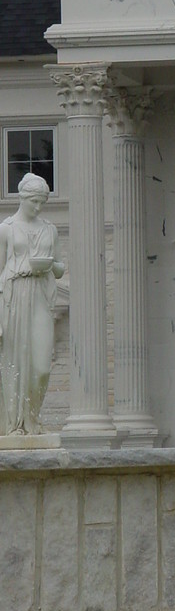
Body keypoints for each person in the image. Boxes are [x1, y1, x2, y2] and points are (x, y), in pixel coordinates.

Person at [0, 173, 64, 435]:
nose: (38, 207)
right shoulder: (6, 229)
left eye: (42, 202)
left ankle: (33, 418)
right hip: (15, 292)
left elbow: (59, 268)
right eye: (34, 201)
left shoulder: (50, 229)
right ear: (22, 198)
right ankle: (15, 424)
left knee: (40, 366)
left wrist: (51, 265)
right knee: (14, 362)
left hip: (40, 293)